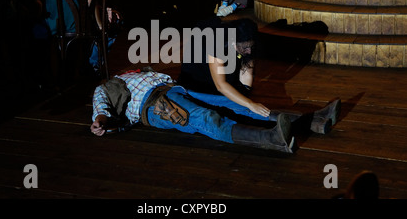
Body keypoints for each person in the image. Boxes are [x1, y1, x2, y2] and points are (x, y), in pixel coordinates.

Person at [178, 17, 341, 135]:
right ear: (234, 42)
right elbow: (220, 85)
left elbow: (246, 72)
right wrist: (249, 104)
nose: (249, 51)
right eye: (245, 48)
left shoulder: (247, 41)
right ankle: (313, 123)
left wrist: (246, 98)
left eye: (251, 47)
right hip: (197, 87)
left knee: (249, 108)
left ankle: (317, 118)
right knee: (245, 109)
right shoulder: (217, 43)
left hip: (220, 83)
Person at [90, 68, 294, 153]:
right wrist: (100, 122)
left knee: (231, 103)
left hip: (178, 89)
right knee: (207, 118)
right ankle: (272, 139)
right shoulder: (104, 87)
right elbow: (101, 108)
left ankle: (301, 121)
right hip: (153, 105)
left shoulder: (135, 72)